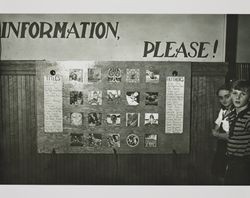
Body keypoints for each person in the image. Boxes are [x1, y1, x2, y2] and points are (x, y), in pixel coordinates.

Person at [224, 80, 250, 184]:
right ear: (230, 94)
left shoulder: (248, 117)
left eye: (243, 94)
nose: (237, 97)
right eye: (235, 93)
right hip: (231, 159)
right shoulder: (232, 114)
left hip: (244, 162)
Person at [211, 83, 234, 183]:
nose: (224, 100)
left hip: (232, 149)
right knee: (219, 174)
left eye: (227, 97)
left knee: (229, 177)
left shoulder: (236, 112)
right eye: (221, 98)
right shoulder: (223, 111)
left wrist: (218, 135)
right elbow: (215, 128)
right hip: (222, 147)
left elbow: (232, 137)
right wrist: (220, 135)